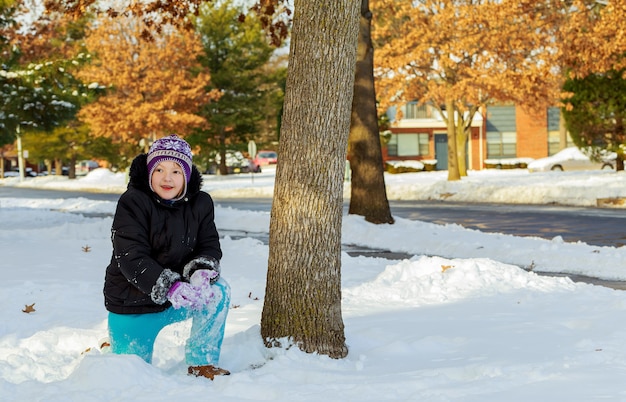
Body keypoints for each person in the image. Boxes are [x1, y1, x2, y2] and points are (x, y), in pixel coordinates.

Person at [103, 134, 230, 380]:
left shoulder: (201, 203)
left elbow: (209, 244)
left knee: (218, 292)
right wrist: (169, 286)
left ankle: (201, 362)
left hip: (179, 300)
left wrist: (201, 271)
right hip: (133, 304)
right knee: (130, 376)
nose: (167, 178)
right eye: (159, 169)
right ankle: (115, 346)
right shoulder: (133, 202)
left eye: (176, 171)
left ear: (187, 175)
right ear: (149, 172)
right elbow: (131, 256)